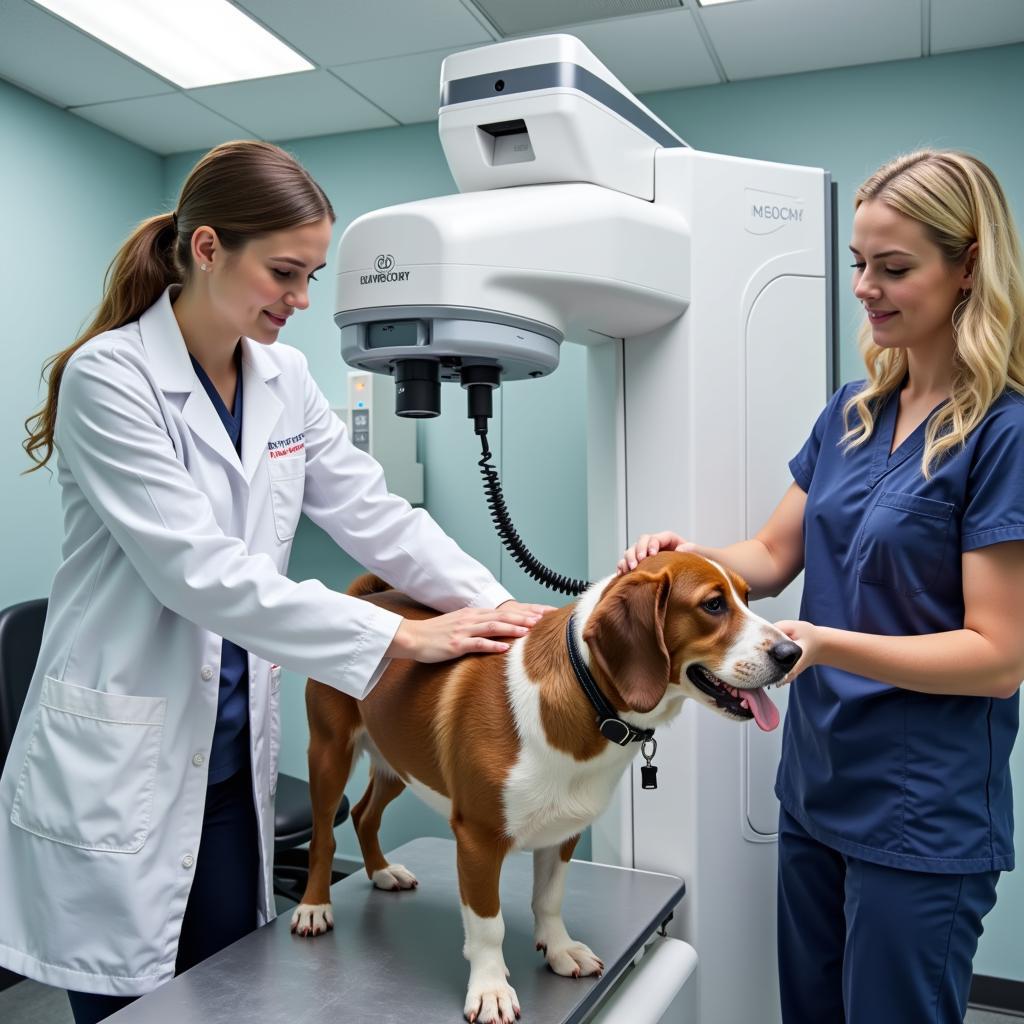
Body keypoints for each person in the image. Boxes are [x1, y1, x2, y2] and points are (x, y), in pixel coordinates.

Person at [0, 140, 551, 1024]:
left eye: (312, 277)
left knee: (226, 1001)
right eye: (285, 273)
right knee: (132, 1009)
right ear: (209, 248)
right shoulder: (109, 379)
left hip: (226, 766)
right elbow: (200, 574)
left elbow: (378, 517)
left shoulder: (285, 377)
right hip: (122, 762)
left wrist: (500, 612)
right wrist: (398, 634)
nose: (301, 301)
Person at [619, 150, 1024, 1024]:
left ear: (967, 269)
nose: (865, 289)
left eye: (894, 267)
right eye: (858, 264)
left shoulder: (1005, 435)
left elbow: (998, 658)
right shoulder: (853, 412)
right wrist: (686, 563)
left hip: (922, 812)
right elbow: (770, 551)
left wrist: (825, 643)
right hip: (817, 787)